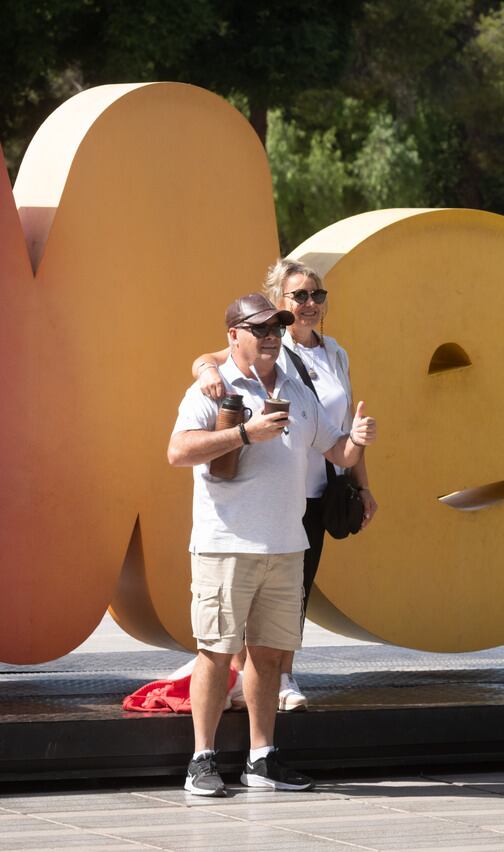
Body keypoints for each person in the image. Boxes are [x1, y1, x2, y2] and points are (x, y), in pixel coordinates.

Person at [168, 292, 377, 797]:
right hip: (226, 544)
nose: (270, 338)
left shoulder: (296, 389)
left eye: (275, 330)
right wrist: (244, 434)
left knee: (268, 655)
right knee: (216, 652)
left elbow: (334, 449)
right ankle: (202, 758)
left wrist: (359, 440)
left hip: (286, 544)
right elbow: (178, 451)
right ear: (233, 336)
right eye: (259, 329)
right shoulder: (212, 388)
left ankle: (262, 758)